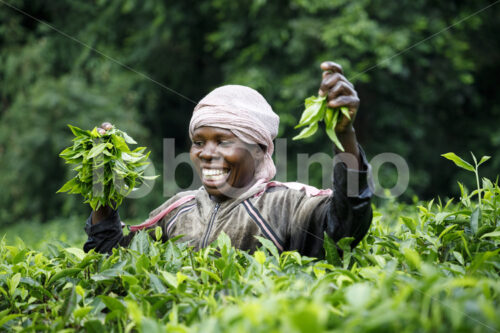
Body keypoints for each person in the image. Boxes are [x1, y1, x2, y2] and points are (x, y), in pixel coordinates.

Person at [84, 61, 373, 258]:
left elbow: (345, 227)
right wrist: (102, 183)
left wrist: (344, 136)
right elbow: (110, 258)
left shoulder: (288, 205)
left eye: (224, 141)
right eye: (199, 142)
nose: (207, 153)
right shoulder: (176, 212)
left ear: (260, 149)